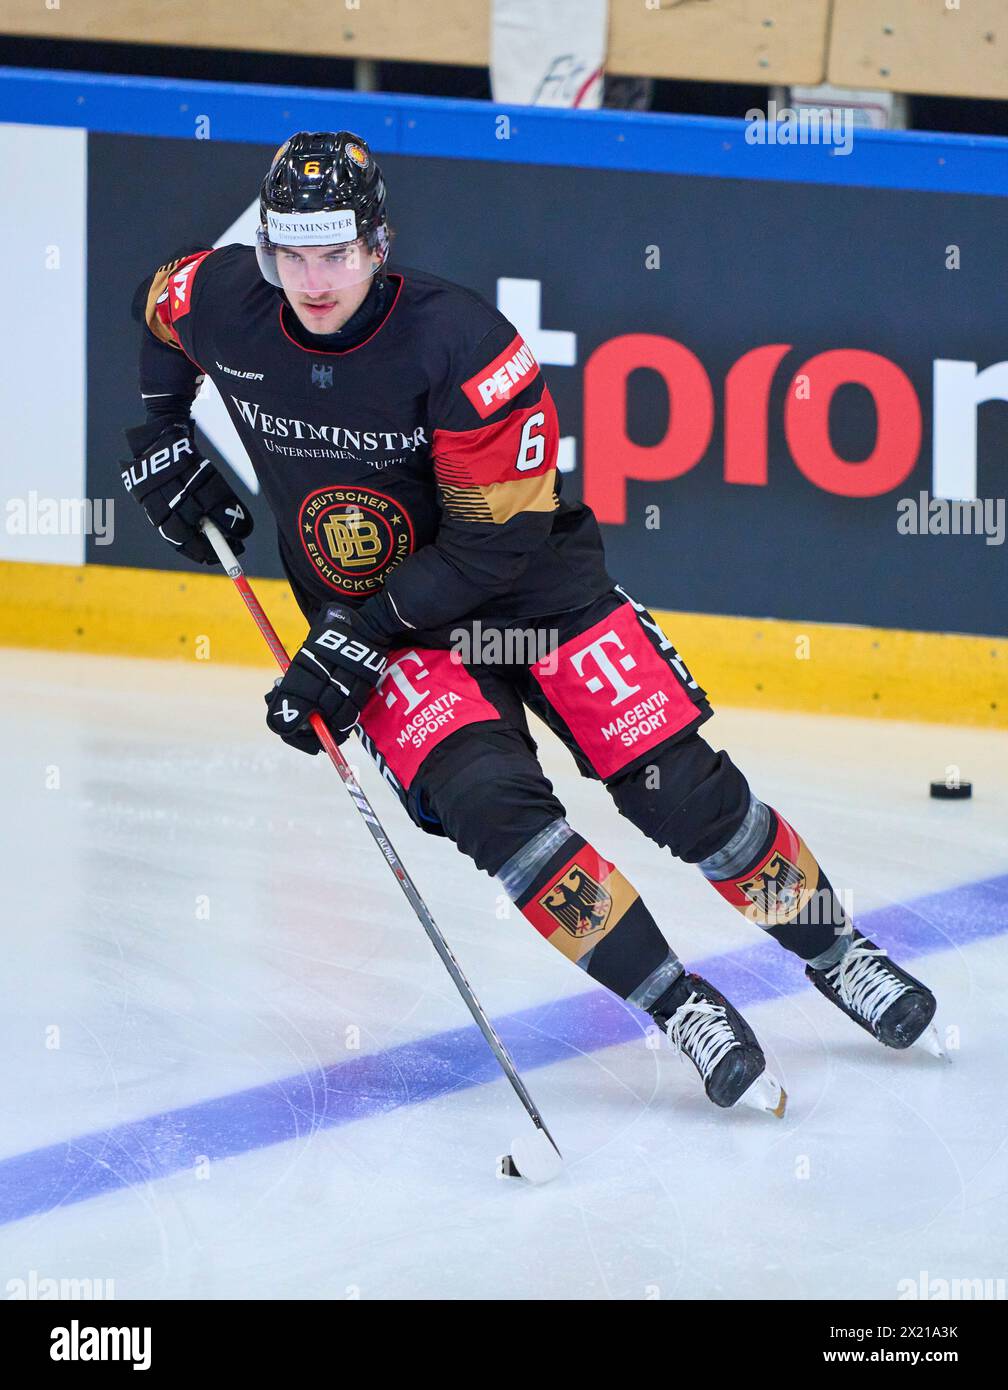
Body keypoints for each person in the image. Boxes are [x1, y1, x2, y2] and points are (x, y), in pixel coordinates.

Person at [122, 131, 938, 1117]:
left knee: (681, 793)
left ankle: (835, 948)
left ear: (378, 242)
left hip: (530, 598)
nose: (312, 278)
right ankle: (678, 1005)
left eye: (334, 251)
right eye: (289, 253)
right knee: (497, 813)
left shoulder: (462, 344)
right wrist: (163, 432)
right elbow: (157, 311)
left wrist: (356, 632)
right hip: (401, 635)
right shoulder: (222, 299)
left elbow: (490, 551)